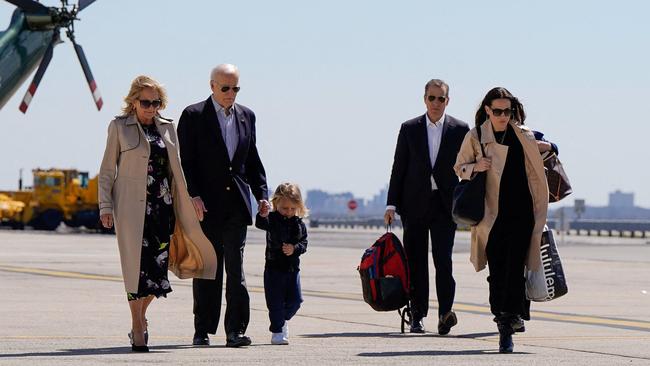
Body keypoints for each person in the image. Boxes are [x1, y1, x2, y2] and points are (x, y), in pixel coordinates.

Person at [98, 75, 217, 352]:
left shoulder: (168, 128)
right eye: (146, 102)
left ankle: (140, 317)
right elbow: (106, 171)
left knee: (157, 272)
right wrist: (105, 206)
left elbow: (178, 171)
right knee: (135, 271)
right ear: (133, 101)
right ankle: (138, 327)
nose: (151, 108)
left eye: (156, 102)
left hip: (163, 208)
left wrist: (190, 200)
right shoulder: (119, 127)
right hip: (130, 209)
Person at [177, 64, 270, 348]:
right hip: (204, 206)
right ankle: (202, 330)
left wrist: (262, 194)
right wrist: (192, 195)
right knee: (207, 268)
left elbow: (252, 159)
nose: (231, 94)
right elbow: (186, 163)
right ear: (212, 86)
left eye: (236, 88)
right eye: (225, 88)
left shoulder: (247, 116)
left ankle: (235, 331)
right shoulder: (193, 116)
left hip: (237, 205)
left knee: (236, 268)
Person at [454, 87, 551, 353]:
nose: (502, 116)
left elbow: (551, 147)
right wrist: (476, 167)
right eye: (497, 111)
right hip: (491, 216)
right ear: (487, 110)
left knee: (517, 269)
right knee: (497, 272)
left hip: (522, 214)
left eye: (507, 111)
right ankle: (503, 316)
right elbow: (459, 167)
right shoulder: (475, 137)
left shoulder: (524, 134)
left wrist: (550, 146)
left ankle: (507, 324)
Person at [384, 79, 469, 334]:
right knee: (416, 262)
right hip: (414, 205)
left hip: (445, 205)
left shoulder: (460, 129)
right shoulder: (409, 128)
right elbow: (398, 168)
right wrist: (391, 204)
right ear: (424, 99)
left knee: (443, 261)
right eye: (431, 98)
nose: (435, 103)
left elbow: (468, 165)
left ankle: (445, 314)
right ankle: (417, 314)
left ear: (447, 101)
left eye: (440, 99)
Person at [255, 183, 308, 345]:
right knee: (275, 302)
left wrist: (295, 248)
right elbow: (260, 223)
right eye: (285, 208)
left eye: (293, 209)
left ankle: (283, 319)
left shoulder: (299, 224)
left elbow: (304, 243)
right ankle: (278, 331)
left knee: (296, 301)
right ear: (276, 203)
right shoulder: (271, 220)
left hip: (292, 270)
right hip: (273, 269)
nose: (289, 212)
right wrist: (262, 214)